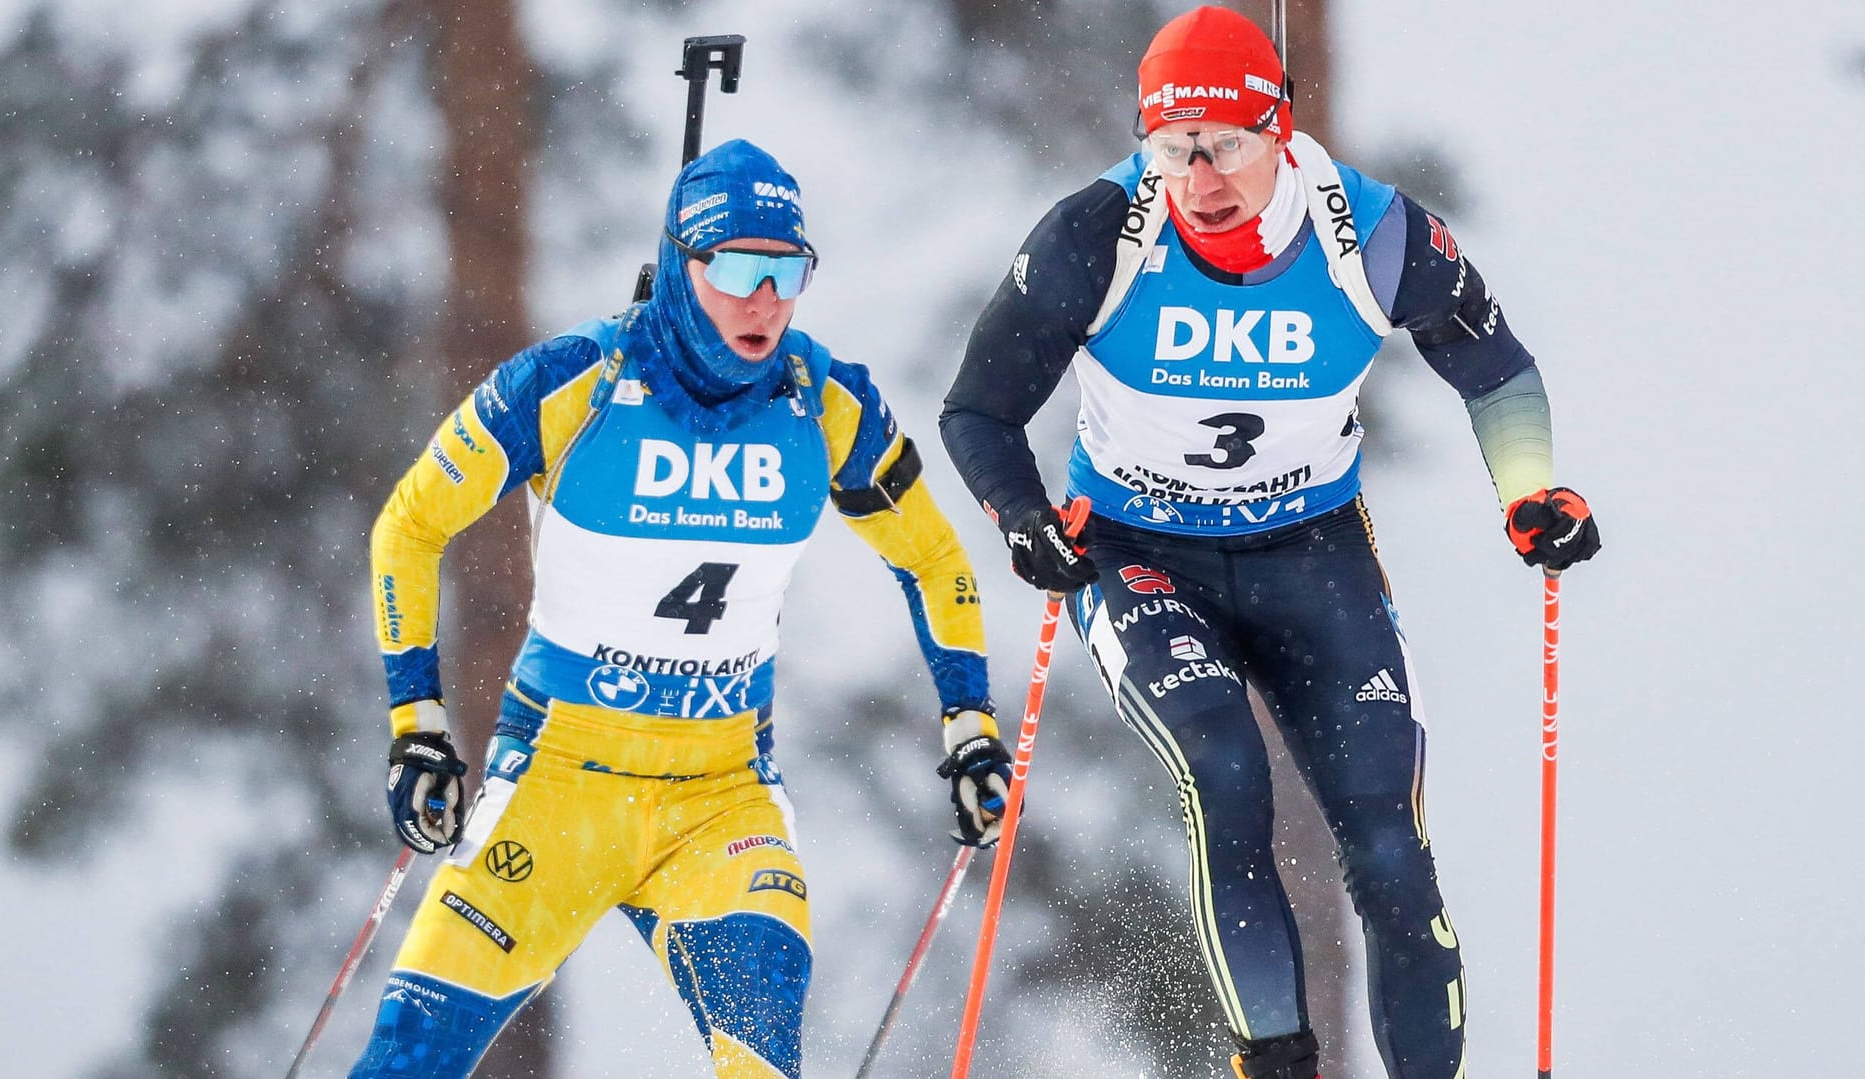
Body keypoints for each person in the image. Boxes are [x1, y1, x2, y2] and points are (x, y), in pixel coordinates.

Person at [939, 8, 1600, 1079]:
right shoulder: (1096, 233)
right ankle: (1278, 1062)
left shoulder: (1372, 233)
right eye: (1172, 148)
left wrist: (1529, 496)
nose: (1200, 177)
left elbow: (1493, 363)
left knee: (1387, 844)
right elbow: (978, 411)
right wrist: (1023, 521)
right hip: (1139, 548)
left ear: (1280, 129)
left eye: (1227, 146)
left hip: (1310, 548)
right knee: (1225, 772)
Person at [352, 139, 1013, 1079]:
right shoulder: (572, 380)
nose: (766, 299)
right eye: (739, 268)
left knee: (763, 1064)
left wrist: (969, 721)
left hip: (722, 798)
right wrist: (417, 722)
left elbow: (935, 557)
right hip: (559, 786)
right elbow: (409, 526)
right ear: (680, 265)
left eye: (789, 271)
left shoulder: (822, 401)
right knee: (406, 1061)